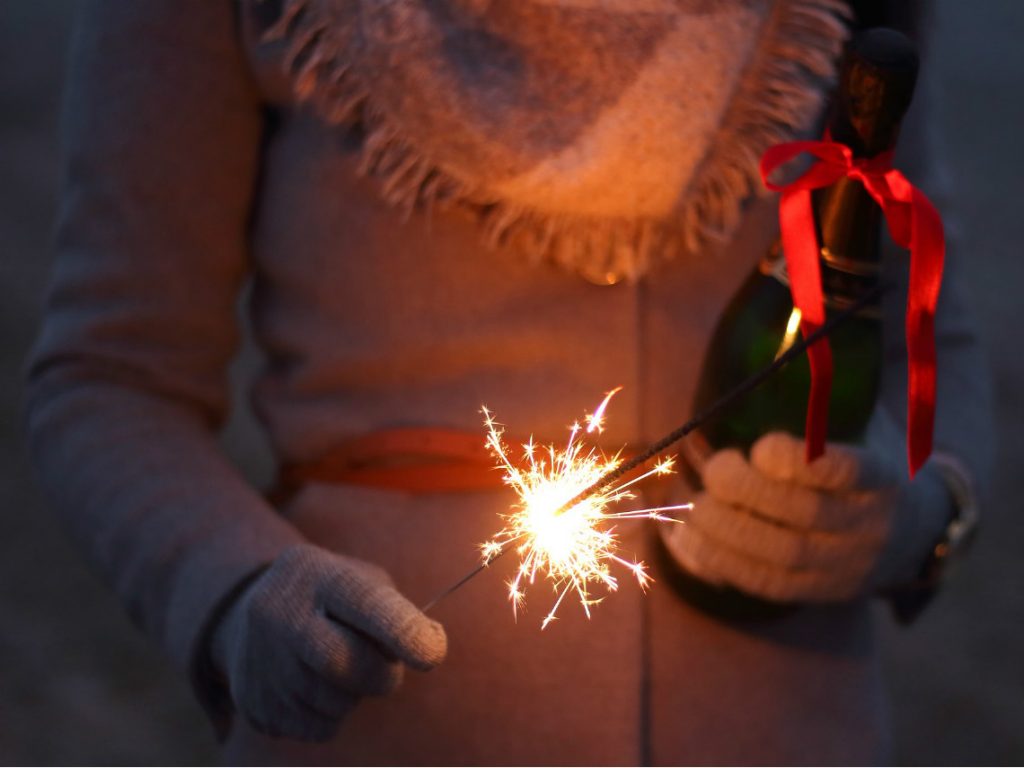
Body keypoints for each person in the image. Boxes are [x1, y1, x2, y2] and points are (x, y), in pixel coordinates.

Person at [26, 0, 991, 763]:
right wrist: (232, 587)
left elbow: (936, 342)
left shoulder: (840, 15)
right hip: (384, 740)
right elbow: (110, 378)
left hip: (785, 735)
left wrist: (916, 515)